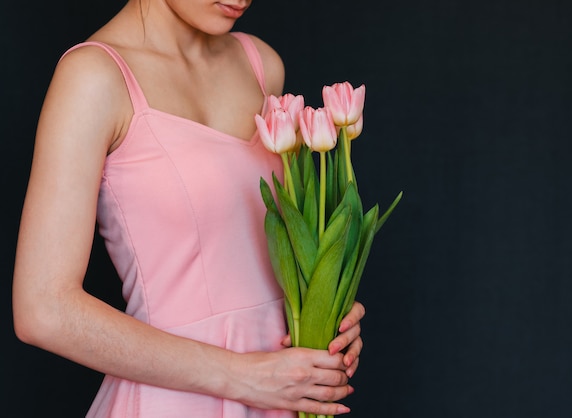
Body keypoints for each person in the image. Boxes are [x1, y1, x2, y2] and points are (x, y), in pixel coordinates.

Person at [12, 0, 365, 416]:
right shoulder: (94, 76)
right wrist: (241, 376)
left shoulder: (260, 64)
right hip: (177, 401)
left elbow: (262, 252)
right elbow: (43, 309)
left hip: (283, 395)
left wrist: (325, 316)